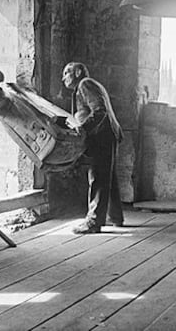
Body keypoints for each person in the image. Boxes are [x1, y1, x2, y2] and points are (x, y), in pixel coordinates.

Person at [62, 62, 124, 234]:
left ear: (78, 72)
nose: (63, 78)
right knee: (108, 177)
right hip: (107, 134)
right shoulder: (90, 85)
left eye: (67, 72)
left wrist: (82, 129)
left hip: (101, 136)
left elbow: (99, 111)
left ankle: (94, 222)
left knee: (97, 176)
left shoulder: (85, 84)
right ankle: (116, 217)